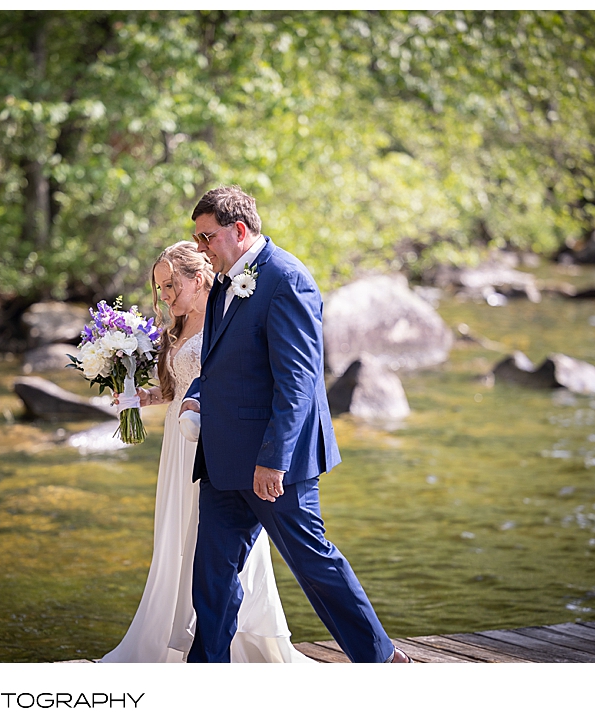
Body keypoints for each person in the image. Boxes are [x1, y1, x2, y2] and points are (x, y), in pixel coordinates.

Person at [181, 186, 412, 663]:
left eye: (207, 238)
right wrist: (196, 397)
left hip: (273, 464)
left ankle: (381, 659)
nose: (201, 249)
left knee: (313, 564)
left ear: (239, 230)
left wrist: (273, 461)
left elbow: (299, 382)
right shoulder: (226, 278)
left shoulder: (287, 279)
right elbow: (220, 364)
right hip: (224, 459)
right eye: (197, 239)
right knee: (211, 575)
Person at [101, 241, 313, 663]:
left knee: (216, 544)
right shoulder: (175, 329)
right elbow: (178, 388)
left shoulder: (226, 316)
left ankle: (233, 642)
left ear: (197, 279)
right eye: (159, 288)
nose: (163, 296)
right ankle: (176, 633)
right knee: (180, 537)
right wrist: (143, 396)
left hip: (219, 447)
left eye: (169, 285)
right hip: (178, 449)